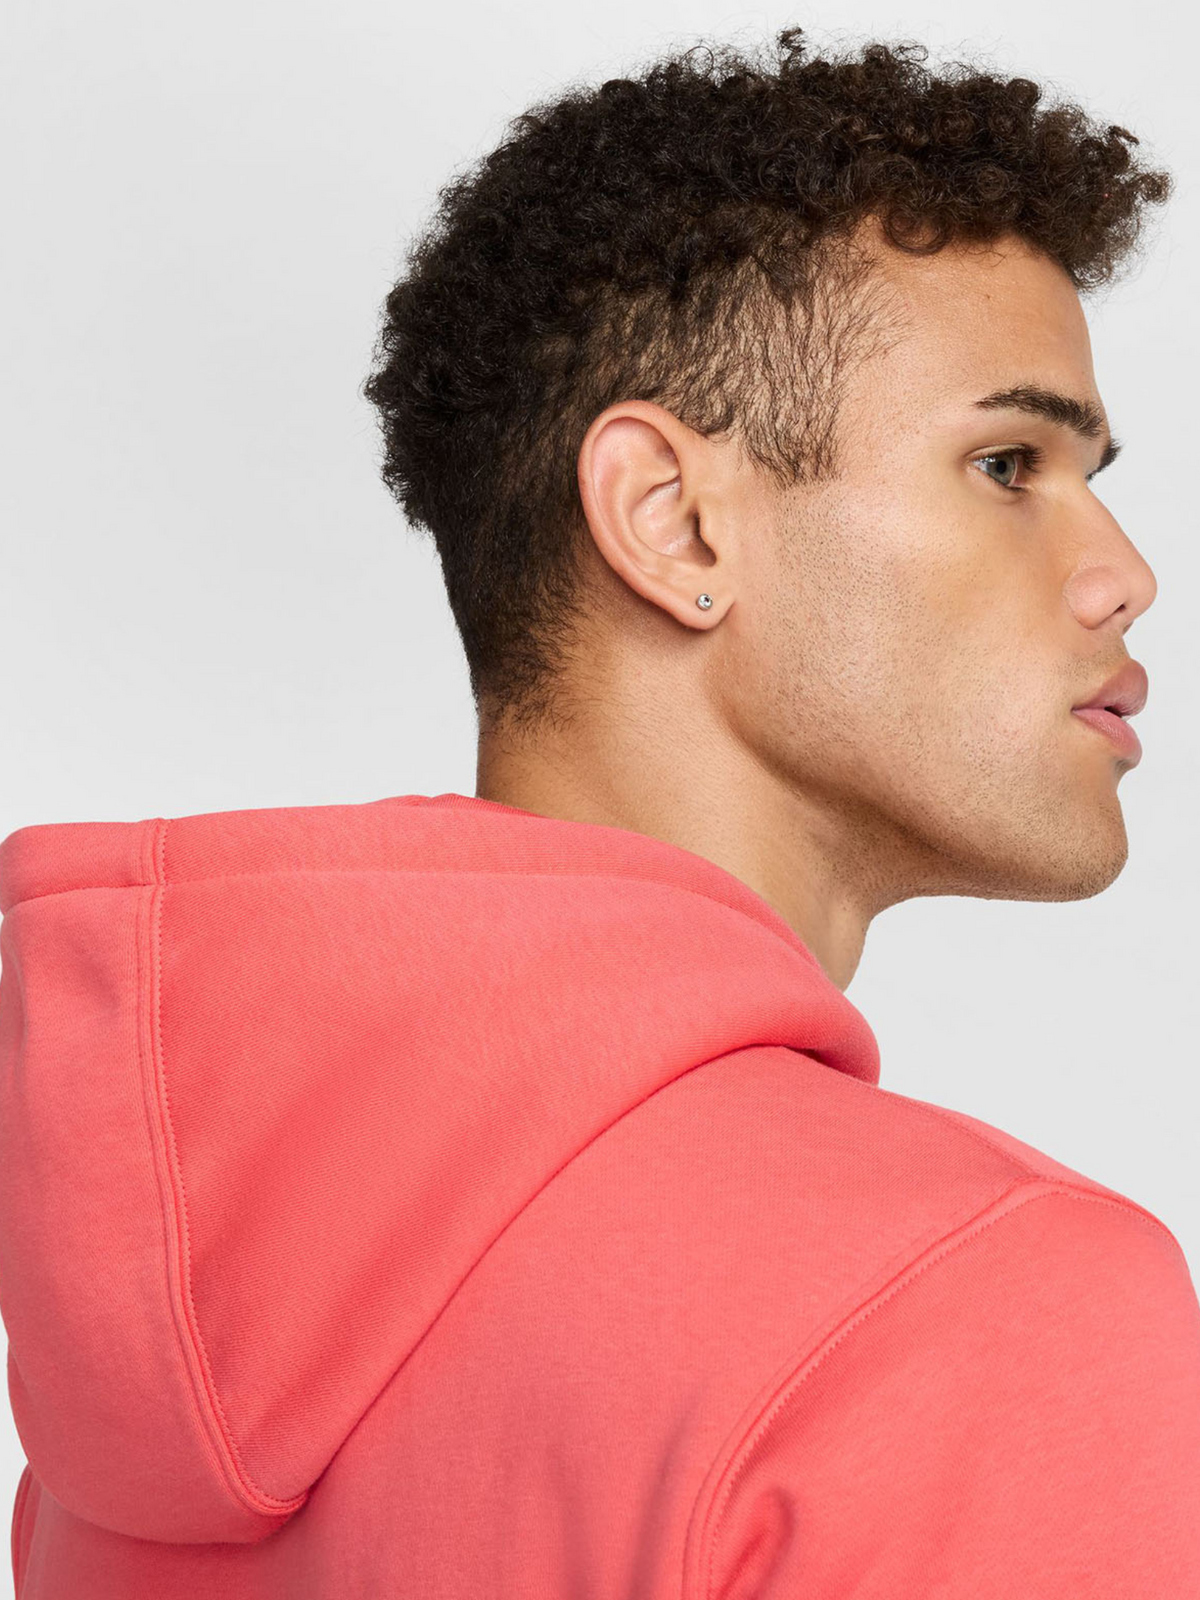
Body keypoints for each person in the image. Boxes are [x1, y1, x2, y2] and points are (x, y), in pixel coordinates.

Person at [2, 26, 1196, 1599]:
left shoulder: (159, 1358)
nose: (1124, 575)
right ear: (673, 520)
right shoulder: (981, 1305)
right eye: (1007, 463)